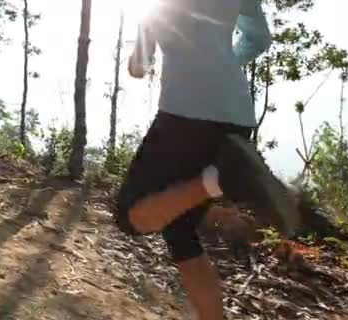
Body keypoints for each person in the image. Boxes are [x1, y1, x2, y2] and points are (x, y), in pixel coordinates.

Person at [114, 1, 301, 319]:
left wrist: (140, 48)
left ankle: (223, 178)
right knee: (179, 232)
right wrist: (227, 61)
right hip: (237, 115)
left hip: (187, 112)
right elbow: (259, 38)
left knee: (130, 215)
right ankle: (226, 175)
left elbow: (139, 67)